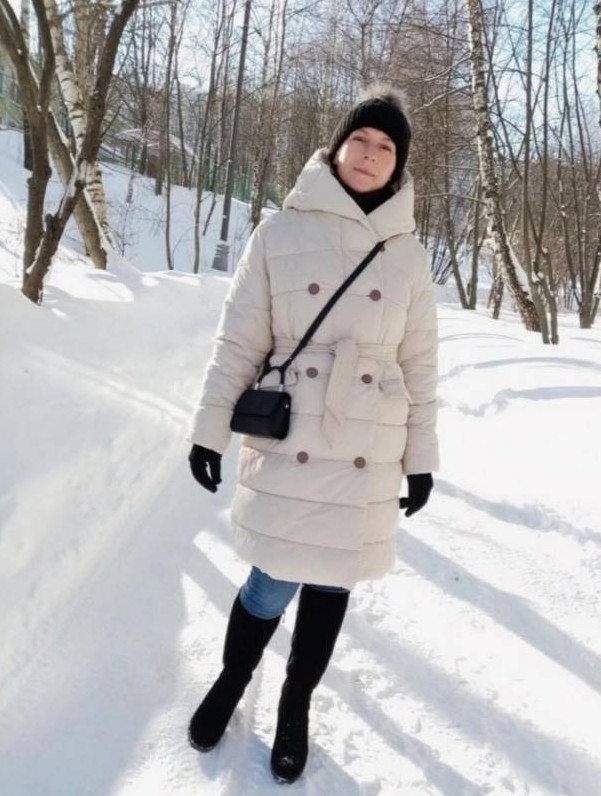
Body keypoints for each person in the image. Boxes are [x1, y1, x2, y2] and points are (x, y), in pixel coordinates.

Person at [186, 81, 439, 784]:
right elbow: (239, 341)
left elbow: (420, 363)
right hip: (293, 425)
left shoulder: (409, 254)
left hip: (368, 439)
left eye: (385, 145)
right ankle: (232, 679)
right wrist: (209, 429)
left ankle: (295, 703)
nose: (369, 153)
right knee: (271, 578)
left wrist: (421, 458)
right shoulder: (280, 230)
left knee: (332, 584)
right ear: (336, 146)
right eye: (359, 138)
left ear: (399, 163)